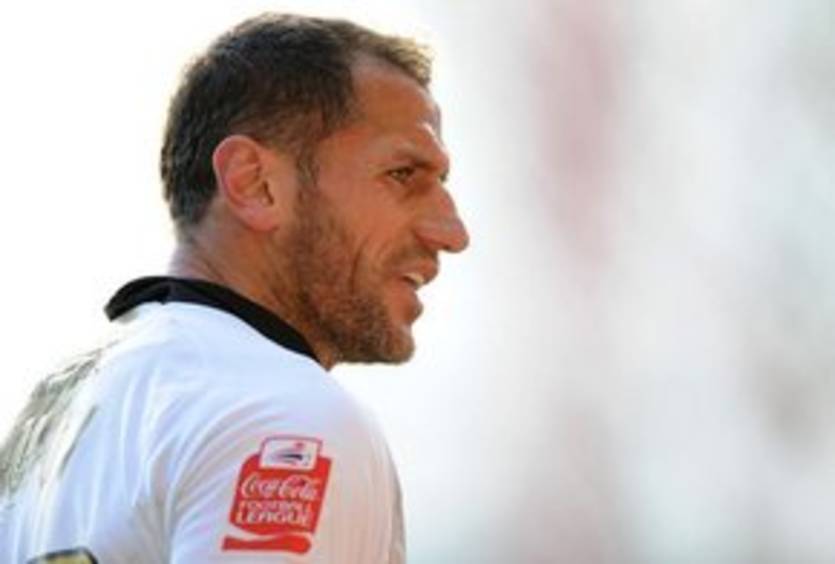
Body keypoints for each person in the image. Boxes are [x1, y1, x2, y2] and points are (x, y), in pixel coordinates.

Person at [0, 13, 468, 563]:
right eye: (403, 175)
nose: (451, 232)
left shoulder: (51, 417)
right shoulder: (286, 413)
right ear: (255, 183)